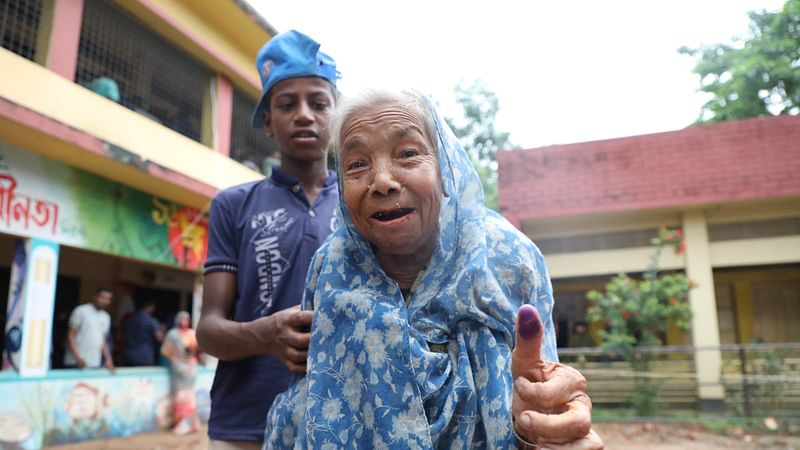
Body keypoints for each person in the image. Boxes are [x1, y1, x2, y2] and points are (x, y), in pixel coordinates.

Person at [264, 89, 603, 449]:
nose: (382, 181)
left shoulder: (507, 257)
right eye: (357, 164)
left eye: (408, 154)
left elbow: (544, 395)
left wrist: (542, 423)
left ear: (445, 168)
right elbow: (309, 395)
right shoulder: (331, 268)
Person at [197, 29, 341, 448]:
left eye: (318, 103)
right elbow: (208, 331)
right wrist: (266, 335)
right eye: (286, 104)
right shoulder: (232, 206)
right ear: (266, 122)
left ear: (337, 116)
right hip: (244, 427)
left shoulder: (362, 209)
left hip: (342, 423)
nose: (303, 115)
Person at [161, 311, 202, 435]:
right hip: (182, 368)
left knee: (186, 397)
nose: (184, 321)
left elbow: (165, 351)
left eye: (186, 319)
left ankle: (187, 425)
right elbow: (166, 351)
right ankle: (187, 424)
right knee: (183, 397)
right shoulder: (175, 334)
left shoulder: (189, 333)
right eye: (182, 319)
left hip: (187, 368)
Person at [64, 287, 115, 371]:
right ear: (95, 296)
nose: (105, 301)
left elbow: (104, 341)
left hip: (94, 362)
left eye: (108, 299)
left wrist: (108, 360)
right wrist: (77, 357)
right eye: (103, 298)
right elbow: (71, 335)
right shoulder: (81, 310)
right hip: (75, 362)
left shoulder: (106, 317)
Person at [122, 300, 164, 366]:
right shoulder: (151, 321)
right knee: (143, 376)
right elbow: (159, 338)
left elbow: (123, 335)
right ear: (151, 307)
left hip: (128, 355)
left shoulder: (130, 319)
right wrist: (162, 330)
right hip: (144, 357)